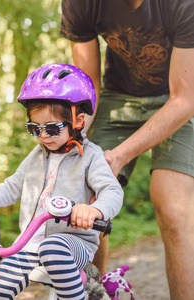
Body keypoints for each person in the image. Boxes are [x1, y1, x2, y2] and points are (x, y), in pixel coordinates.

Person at [0, 63, 123, 300]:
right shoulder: (35, 157)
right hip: (27, 246)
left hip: (73, 244)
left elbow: (112, 191)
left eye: (52, 129)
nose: (42, 136)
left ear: (78, 121)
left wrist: (94, 210)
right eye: (34, 128)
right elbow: (10, 189)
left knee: (52, 247)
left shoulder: (91, 157)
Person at [59, 0, 194, 299]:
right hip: (117, 97)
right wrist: (72, 135)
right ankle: (94, 292)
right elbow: (88, 83)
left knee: (174, 208)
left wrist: (120, 155)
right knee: (85, 194)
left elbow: (184, 98)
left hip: (179, 100)